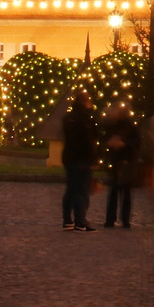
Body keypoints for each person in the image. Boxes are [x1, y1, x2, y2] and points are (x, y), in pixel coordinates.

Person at [61, 92, 99, 232]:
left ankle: (67, 220)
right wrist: (93, 159)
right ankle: (80, 221)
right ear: (85, 102)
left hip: (69, 156)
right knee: (82, 191)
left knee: (70, 189)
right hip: (82, 158)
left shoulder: (68, 118)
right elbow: (89, 141)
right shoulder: (86, 119)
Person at [102, 102, 140, 229]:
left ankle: (117, 219)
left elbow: (136, 143)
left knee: (121, 192)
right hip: (120, 160)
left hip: (124, 160)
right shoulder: (116, 125)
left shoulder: (129, 127)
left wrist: (123, 144)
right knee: (119, 192)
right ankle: (119, 219)